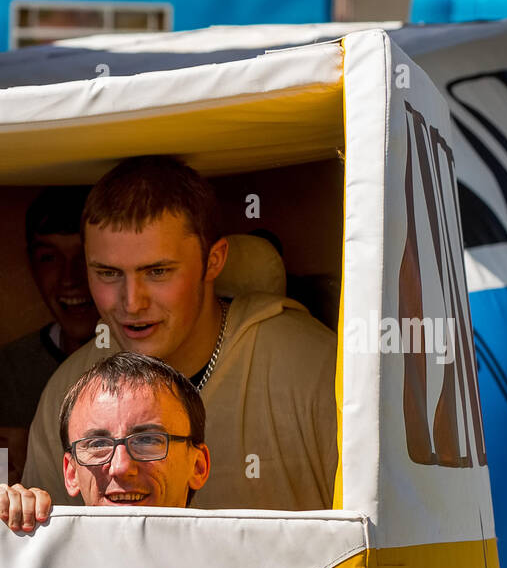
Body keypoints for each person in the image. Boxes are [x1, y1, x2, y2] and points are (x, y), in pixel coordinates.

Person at [21, 155, 336, 510]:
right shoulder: (71, 389)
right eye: (108, 273)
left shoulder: (312, 367)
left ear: (214, 261)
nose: (132, 302)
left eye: (157, 271)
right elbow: (50, 551)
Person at [0, 352, 208, 529]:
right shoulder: (41, 564)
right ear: (70, 473)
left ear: (198, 466)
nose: (120, 467)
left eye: (147, 440)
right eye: (98, 445)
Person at [0, 187, 99, 478]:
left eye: (85, 257)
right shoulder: (0, 372)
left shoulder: (150, 362)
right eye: (50, 257)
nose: (70, 278)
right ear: (31, 265)